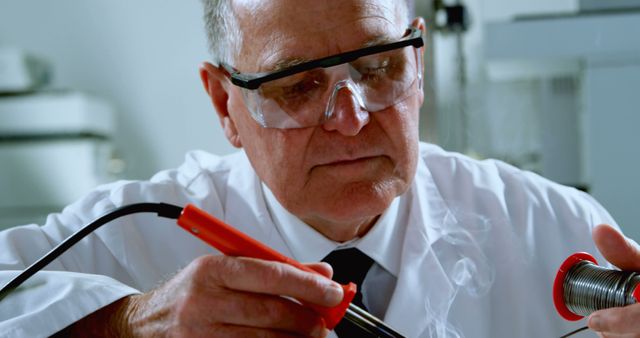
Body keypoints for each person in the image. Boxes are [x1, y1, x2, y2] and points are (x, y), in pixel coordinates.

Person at [0, 0, 639, 337]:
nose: (350, 118)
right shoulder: (133, 233)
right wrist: (126, 325)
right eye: (298, 85)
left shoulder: (552, 230)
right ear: (226, 103)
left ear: (419, 67)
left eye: (380, 67)